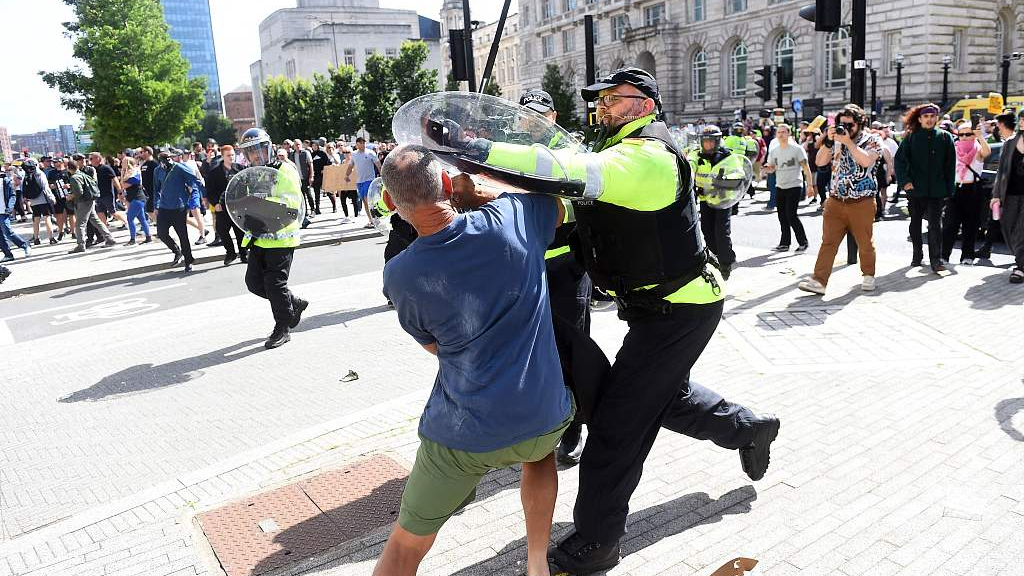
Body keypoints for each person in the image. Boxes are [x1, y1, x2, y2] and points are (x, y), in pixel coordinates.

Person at [467, 67, 780, 574]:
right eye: (603, 100)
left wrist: (476, 147)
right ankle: (748, 427)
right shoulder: (619, 150)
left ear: (644, 104)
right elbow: (579, 209)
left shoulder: (647, 156)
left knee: (616, 428)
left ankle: (597, 542)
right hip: (658, 307)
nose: (603, 107)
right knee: (656, 396)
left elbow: (560, 168)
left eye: (614, 99)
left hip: (680, 308)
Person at [374, 144, 573, 576]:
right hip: (542, 413)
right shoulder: (514, 218)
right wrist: (479, 192)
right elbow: (557, 207)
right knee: (539, 456)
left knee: (404, 547)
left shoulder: (400, 274)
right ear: (448, 183)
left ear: (390, 202)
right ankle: (537, 562)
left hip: (462, 435)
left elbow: (435, 348)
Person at [521, 87, 593, 465]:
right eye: (526, 114)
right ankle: (542, 421)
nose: (532, 121)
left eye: (539, 114)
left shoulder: (571, 153)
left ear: (553, 117)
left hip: (566, 268)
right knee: (532, 351)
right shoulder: (510, 152)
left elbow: (584, 203)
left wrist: (547, 209)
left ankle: (574, 426)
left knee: (571, 352)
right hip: (526, 270)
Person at [235, 128, 308, 348]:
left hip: (281, 236)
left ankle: (282, 328)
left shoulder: (284, 169)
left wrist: (262, 209)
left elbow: (291, 203)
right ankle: (293, 303)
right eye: (251, 153)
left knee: (275, 284)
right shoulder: (252, 174)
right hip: (259, 236)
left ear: (269, 148)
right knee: (254, 282)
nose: (256, 156)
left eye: (259, 150)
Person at [798, 104, 881, 295]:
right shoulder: (835, 140)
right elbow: (819, 162)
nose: (845, 128)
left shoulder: (872, 140)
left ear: (861, 123)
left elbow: (867, 161)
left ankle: (868, 275)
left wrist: (849, 143)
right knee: (828, 242)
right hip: (835, 200)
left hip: (862, 201)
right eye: (841, 124)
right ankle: (819, 281)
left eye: (849, 125)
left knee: (865, 242)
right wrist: (829, 141)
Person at [895, 103, 956, 273]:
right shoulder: (911, 137)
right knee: (915, 224)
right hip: (915, 190)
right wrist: (905, 182)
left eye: (932, 116)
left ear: (937, 118)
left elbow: (951, 166)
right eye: (926, 117)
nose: (929, 120)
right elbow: (899, 160)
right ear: (920, 119)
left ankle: (936, 260)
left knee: (935, 225)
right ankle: (917, 255)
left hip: (937, 191)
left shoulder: (945, 137)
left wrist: (949, 189)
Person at [688, 126, 741, 278]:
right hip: (705, 200)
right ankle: (719, 256)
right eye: (705, 142)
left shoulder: (727, 157)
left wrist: (724, 182)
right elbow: (690, 164)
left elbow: (738, 177)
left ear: (717, 141)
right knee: (707, 231)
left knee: (721, 233)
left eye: (711, 142)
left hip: (723, 200)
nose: (708, 145)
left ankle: (725, 264)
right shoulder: (696, 155)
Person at [942, 121, 991, 266]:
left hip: (973, 190)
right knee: (950, 225)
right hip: (955, 190)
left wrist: (980, 136)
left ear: (973, 135)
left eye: (968, 134)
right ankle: (944, 256)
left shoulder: (978, 149)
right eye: (961, 134)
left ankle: (967, 256)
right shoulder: (954, 149)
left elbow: (987, 152)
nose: (964, 137)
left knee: (970, 225)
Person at [153, 150, 205, 272]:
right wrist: (156, 205)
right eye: (163, 159)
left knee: (183, 235)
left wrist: (199, 194)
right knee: (161, 233)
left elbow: (194, 179)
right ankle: (177, 251)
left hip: (179, 207)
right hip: (164, 207)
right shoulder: (157, 171)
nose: (165, 161)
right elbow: (156, 188)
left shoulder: (179, 168)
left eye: (167, 158)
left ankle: (189, 260)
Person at [765, 123, 814, 251]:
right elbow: (772, 168)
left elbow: (805, 168)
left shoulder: (797, 149)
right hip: (780, 186)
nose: (781, 135)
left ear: (789, 134)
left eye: (783, 132)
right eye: (779, 132)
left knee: (791, 215)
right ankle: (785, 244)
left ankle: (803, 242)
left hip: (795, 185)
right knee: (782, 216)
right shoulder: (774, 151)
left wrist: (810, 186)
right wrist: (766, 169)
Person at [991, 109, 1024, 283]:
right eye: (1022, 119)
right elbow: (1001, 170)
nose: (1023, 121)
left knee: (1021, 230)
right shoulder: (1010, 142)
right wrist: (996, 195)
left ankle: (1020, 267)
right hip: (1010, 193)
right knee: (1008, 226)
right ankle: (1020, 258)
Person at [206, 145, 246, 265]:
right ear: (222, 156)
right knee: (221, 230)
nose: (231, 157)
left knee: (240, 232)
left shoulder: (240, 169)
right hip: (222, 206)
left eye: (233, 154)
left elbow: (247, 186)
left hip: (238, 206)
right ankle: (231, 253)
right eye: (228, 155)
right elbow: (210, 190)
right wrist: (215, 203)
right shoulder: (214, 172)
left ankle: (244, 254)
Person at [66, 159, 116, 253]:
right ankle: (109, 238)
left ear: (68, 168)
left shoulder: (74, 177)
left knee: (79, 224)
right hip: (90, 200)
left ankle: (80, 245)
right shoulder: (83, 174)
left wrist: (70, 196)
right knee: (96, 220)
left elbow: (79, 192)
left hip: (82, 202)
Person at [345, 137, 383, 229]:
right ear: (357, 144)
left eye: (364, 143)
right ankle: (371, 220)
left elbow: (378, 164)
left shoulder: (370, 153)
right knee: (365, 202)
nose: (363, 144)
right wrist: (347, 175)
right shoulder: (354, 154)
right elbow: (351, 166)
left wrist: (382, 176)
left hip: (369, 180)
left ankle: (376, 219)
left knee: (368, 199)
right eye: (361, 143)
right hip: (359, 181)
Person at [21, 159, 56, 245]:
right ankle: (51, 238)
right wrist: (51, 197)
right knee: (47, 218)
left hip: (33, 201)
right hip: (43, 199)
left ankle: (36, 238)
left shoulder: (26, 175)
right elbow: (45, 187)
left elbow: (24, 189)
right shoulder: (40, 174)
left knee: (36, 219)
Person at [0, 170, 31, 262]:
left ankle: (25, 245)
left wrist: (9, 208)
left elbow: (12, 195)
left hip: (3, 211)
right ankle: (8, 254)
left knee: (7, 231)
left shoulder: (5, 180)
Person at [120, 157, 151, 245]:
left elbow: (124, 185)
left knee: (130, 218)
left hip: (137, 198)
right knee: (141, 218)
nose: (121, 164)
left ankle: (133, 239)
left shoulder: (135, 173)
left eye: (123, 162)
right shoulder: (129, 173)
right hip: (134, 198)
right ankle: (148, 237)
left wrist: (122, 175)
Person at [47, 158, 71, 242]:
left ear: (61, 162)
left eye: (57, 162)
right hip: (57, 196)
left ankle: (73, 231)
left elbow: (73, 182)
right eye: (54, 162)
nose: (55, 164)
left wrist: (69, 185)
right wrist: (52, 186)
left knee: (72, 214)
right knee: (58, 214)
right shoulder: (51, 172)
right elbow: (49, 184)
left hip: (68, 195)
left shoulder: (68, 171)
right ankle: (61, 231)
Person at [292, 139, 315, 222]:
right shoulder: (292, 154)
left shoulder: (305, 153)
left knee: (308, 194)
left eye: (299, 144)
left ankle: (313, 209)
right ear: (294, 146)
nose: (297, 146)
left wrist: (311, 176)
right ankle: (305, 212)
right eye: (296, 145)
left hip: (305, 177)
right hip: (297, 179)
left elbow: (310, 164)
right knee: (301, 197)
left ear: (301, 145)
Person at [310, 137, 332, 215]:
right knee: (316, 193)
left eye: (316, 145)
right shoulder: (311, 155)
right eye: (313, 146)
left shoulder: (322, 153)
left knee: (328, 191)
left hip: (323, 175)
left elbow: (328, 163)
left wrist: (324, 169)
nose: (314, 147)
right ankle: (317, 208)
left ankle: (334, 205)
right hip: (315, 175)